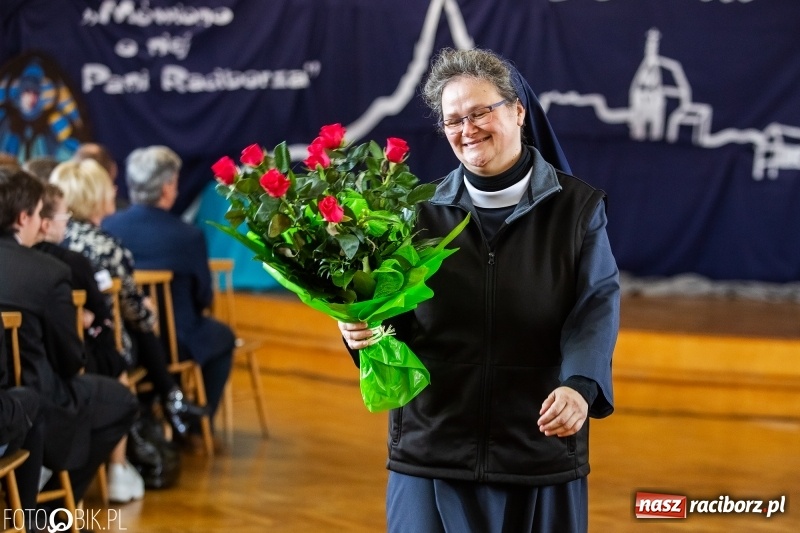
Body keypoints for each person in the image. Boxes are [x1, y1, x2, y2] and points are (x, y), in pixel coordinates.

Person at [337, 48, 620, 533]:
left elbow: (594, 306)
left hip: (537, 442)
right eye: (453, 120)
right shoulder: (416, 215)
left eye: (480, 112)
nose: (467, 129)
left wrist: (580, 385)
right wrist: (362, 326)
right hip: (432, 446)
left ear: (517, 111)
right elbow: (392, 322)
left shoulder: (578, 209)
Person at [0, 168, 138, 508]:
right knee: (122, 400)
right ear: (24, 218)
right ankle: (54, 512)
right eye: (36, 213)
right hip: (35, 399)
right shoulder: (49, 272)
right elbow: (69, 358)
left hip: (13, 397)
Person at [49, 160, 205, 440]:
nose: (115, 190)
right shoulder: (105, 246)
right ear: (95, 196)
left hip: (59, 343)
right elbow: (140, 315)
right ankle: (168, 401)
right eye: (109, 186)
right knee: (141, 320)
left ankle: (168, 399)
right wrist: (149, 310)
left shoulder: (54, 240)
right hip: (104, 346)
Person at [102, 145, 234, 432]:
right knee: (223, 336)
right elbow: (204, 296)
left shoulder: (109, 228)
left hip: (127, 339)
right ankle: (197, 423)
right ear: (167, 187)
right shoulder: (187, 235)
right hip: (178, 341)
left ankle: (156, 408)